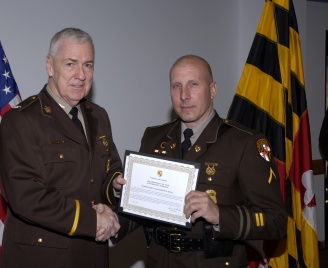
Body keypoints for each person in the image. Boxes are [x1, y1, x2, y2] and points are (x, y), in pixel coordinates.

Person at [112, 55, 287, 267]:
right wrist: (113, 217)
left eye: (193, 84)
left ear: (213, 90)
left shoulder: (245, 143)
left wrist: (220, 215)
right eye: (176, 86)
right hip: (160, 260)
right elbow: (145, 208)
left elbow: (276, 220)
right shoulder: (154, 137)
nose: (183, 95)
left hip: (213, 261)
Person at [0, 27, 123, 268]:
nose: (81, 75)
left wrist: (115, 186)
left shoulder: (99, 116)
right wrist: (91, 220)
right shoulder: (21, 121)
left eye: (88, 65)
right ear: (50, 66)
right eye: (71, 64)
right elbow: (27, 196)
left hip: (93, 254)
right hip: (43, 258)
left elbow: (108, 168)